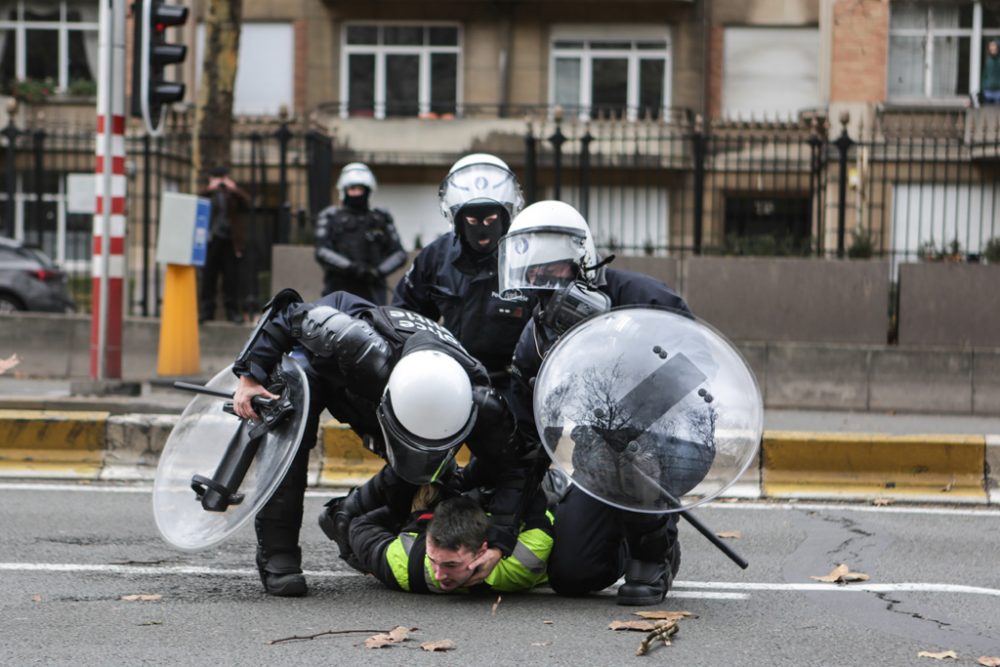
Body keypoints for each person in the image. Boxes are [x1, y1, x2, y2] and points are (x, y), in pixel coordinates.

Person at [230, 289, 535, 597]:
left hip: (409, 392)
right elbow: (287, 311)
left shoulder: (482, 403)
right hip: (332, 367)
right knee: (292, 407)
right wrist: (250, 375)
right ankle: (277, 555)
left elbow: (515, 472)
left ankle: (345, 515)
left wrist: (498, 544)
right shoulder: (357, 346)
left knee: (434, 478)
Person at [499, 200, 693, 607]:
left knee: (622, 449)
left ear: (582, 261)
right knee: (573, 576)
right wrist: (502, 521)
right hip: (597, 457)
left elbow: (697, 362)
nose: (542, 281)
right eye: (533, 272)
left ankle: (655, 550)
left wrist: (630, 413)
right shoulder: (536, 337)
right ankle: (623, 532)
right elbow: (523, 435)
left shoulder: (639, 296)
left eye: (552, 270)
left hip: (666, 445)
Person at [393, 154, 535, 393]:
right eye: (472, 219)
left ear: (506, 217)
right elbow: (403, 315)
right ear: (457, 220)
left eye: (491, 219)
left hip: (514, 385)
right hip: (450, 381)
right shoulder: (436, 256)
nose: (483, 228)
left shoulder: (529, 258)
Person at [348, 489, 553, 594]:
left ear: (482, 551)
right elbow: (536, 506)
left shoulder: (404, 564)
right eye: (433, 561)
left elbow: (359, 525)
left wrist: (409, 517)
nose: (438, 575)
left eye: (451, 565)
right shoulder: (526, 560)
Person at [314, 162, 407, 305]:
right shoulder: (330, 216)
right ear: (344, 190)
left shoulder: (381, 218)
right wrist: (351, 268)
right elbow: (322, 251)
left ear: (368, 190)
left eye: (360, 189)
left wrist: (378, 271)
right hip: (337, 291)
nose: (356, 193)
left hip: (374, 291)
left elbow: (399, 254)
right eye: (352, 189)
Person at [199, 166, 250, 324]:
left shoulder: (233, 195)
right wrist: (210, 188)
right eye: (217, 177)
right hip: (211, 240)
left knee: (231, 279)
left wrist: (233, 189)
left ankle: (233, 312)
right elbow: (197, 202)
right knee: (208, 278)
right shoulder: (207, 194)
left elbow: (247, 204)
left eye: (223, 177)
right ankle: (206, 311)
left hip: (230, 241)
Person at [983, 39, 1000, 105]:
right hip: (988, 91)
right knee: (987, 110)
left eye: (994, 47)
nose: (992, 48)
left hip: (998, 91)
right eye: (991, 47)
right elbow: (984, 75)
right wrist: (984, 86)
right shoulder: (988, 61)